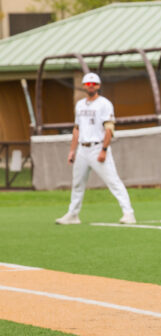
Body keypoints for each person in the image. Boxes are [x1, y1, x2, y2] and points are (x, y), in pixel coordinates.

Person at [55, 73, 135, 225]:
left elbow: (109, 128)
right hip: (83, 149)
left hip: (97, 147)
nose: (90, 86)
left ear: (98, 86)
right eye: (88, 84)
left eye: (93, 84)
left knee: (113, 181)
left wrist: (104, 149)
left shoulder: (104, 104)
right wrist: (72, 150)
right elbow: (77, 128)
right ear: (84, 86)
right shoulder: (80, 105)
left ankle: (128, 213)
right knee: (77, 183)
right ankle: (73, 214)